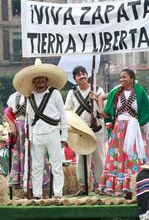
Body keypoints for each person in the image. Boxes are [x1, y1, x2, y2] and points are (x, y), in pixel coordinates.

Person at [13, 58, 68, 200]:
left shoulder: (54, 93)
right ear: (34, 81)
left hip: (53, 133)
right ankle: (37, 195)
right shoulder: (29, 98)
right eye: (37, 78)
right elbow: (29, 120)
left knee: (56, 165)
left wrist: (64, 137)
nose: (40, 80)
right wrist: (29, 138)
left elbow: (63, 116)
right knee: (36, 167)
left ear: (46, 79)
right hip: (36, 135)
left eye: (42, 77)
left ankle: (58, 194)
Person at [97, 69, 149, 198]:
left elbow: (147, 109)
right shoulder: (117, 92)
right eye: (120, 77)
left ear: (132, 78)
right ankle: (120, 187)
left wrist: (141, 123)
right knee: (119, 156)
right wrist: (102, 111)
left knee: (133, 156)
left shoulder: (139, 91)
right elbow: (101, 97)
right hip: (119, 129)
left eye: (124, 77)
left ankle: (135, 185)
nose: (121, 80)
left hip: (134, 127)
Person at [65, 66, 105, 196]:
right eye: (79, 75)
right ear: (75, 78)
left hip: (96, 128)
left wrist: (97, 100)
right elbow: (67, 110)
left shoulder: (98, 90)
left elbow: (104, 111)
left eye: (84, 74)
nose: (82, 76)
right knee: (81, 158)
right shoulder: (72, 93)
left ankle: (103, 186)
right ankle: (83, 187)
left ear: (88, 75)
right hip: (80, 131)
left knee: (99, 157)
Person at [5, 92, 50, 191]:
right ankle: (26, 191)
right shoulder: (13, 96)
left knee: (36, 155)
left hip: (34, 127)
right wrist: (12, 125)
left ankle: (37, 190)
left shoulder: (35, 94)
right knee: (22, 156)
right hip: (20, 129)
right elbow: (7, 112)